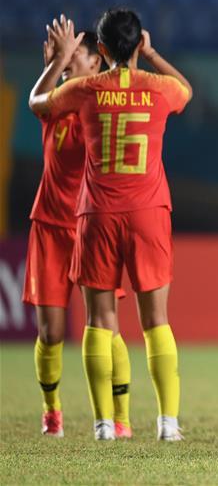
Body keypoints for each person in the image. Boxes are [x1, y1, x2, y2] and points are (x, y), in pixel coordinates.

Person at [29, 11, 192, 441]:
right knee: (156, 320)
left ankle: (103, 424)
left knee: (99, 321)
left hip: (97, 214)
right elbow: (187, 91)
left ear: (100, 51)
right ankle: (168, 424)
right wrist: (153, 55)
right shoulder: (158, 88)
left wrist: (58, 62)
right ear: (137, 44)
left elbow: (36, 103)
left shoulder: (84, 89)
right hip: (148, 212)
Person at [24, 26, 133, 439]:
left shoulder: (102, 104)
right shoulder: (57, 100)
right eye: (66, 58)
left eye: (77, 56)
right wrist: (54, 63)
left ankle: (120, 418)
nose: (69, 62)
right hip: (50, 227)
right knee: (51, 333)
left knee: (109, 327)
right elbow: (36, 104)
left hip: (92, 226)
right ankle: (52, 411)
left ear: (97, 61)